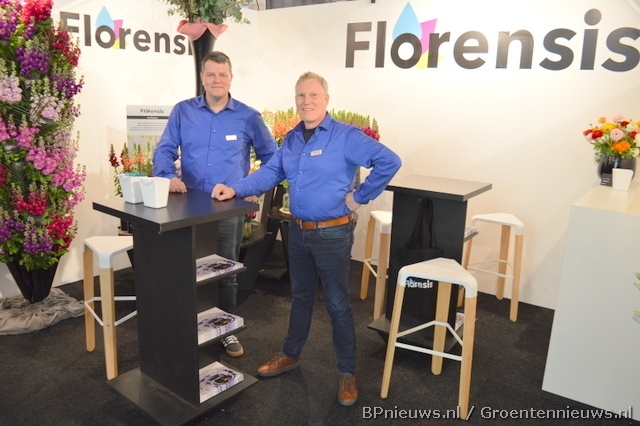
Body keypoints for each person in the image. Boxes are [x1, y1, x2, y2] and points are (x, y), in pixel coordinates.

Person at [212, 71, 401, 406]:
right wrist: (235, 188)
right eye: (301, 95)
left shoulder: (345, 136)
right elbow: (272, 172)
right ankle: (290, 354)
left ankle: (347, 372)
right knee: (300, 298)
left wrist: (360, 197)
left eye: (313, 95)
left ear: (326, 99)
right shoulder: (293, 139)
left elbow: (389, 161)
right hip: (298, 232)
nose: (306, 101)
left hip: (332, 233)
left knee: (338, 304)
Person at [153, 51, 278, 357]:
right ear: (202, 78)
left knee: (225, 271)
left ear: (231, 79)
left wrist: (252, 187)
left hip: (227, 210)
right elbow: (165, 149)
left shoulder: (249, 116)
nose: (216, 80)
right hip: (187, 208)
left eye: (222, 75)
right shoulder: (183, 111)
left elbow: (274, 160)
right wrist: (167, 176)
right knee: (186, 271)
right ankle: (188, 327)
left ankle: (225, 330)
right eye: (211, 74)